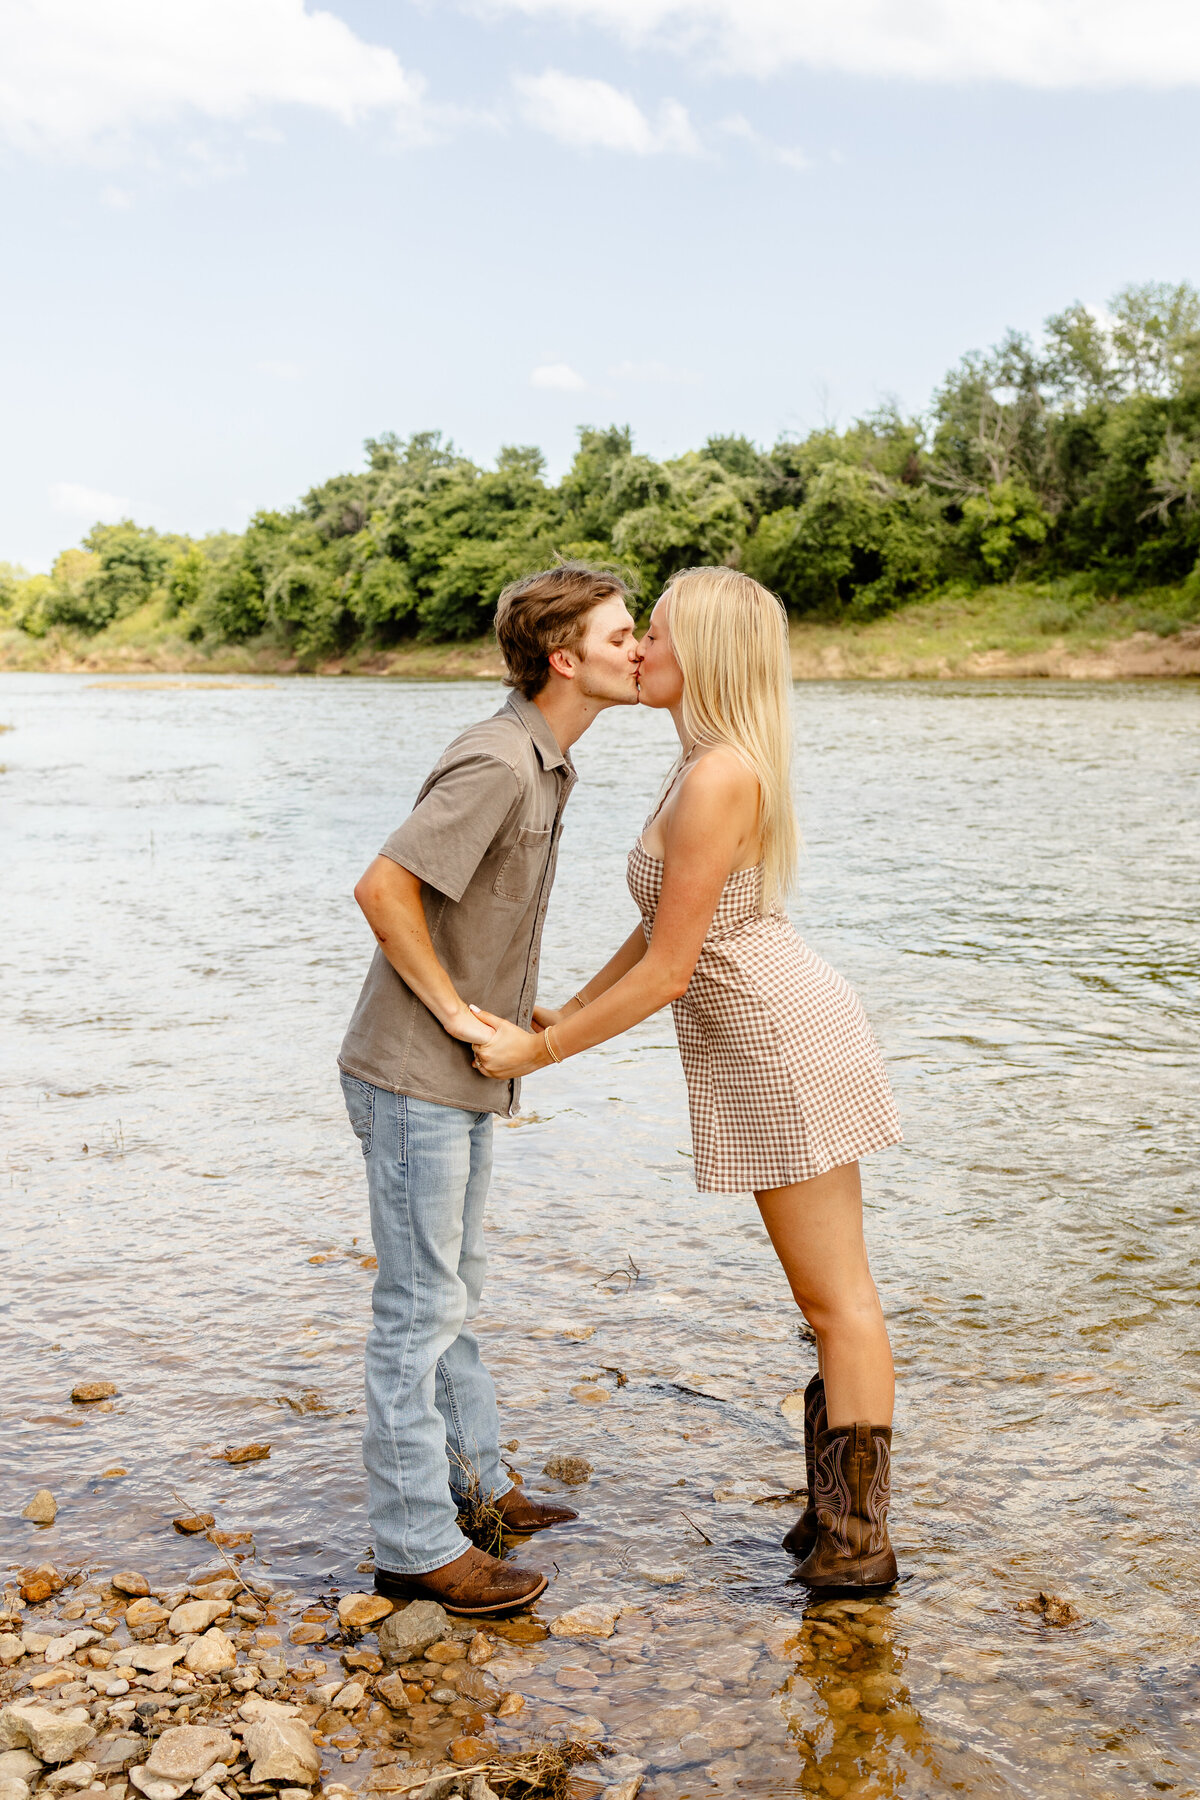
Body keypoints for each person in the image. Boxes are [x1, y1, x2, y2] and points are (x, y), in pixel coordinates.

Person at [474, 566, 904, 1591]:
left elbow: (675, 970)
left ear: (701, 653)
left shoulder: (718, 775)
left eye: (653, 635)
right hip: (766, 1029)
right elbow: (660, 928)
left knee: (839, 1300)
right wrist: (568, 1010)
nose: (636, 650)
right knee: (829, 1296)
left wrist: (543, 1052)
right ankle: (831, 1519)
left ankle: (857, 1548)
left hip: (779, 1037)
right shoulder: (700, 761)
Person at [338, 563, 640, 1617]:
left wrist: (516, 1010)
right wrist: (461, 1013)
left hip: (454, 1082)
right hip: (417, 1073)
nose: (638, 648)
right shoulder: (501, 760)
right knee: (418, 1309)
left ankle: (479, 1491)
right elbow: (383, 888)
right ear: (565, 659)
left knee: (454, 1288)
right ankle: (415, 1544)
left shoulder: (545, 760)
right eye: (620, 634)